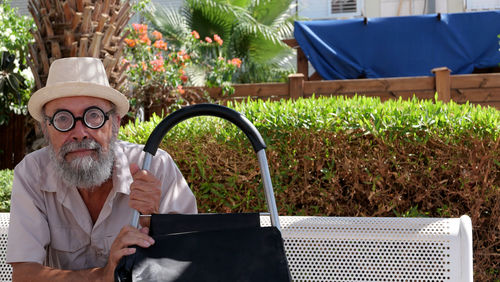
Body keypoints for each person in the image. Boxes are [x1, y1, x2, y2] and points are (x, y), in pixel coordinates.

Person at [6, 57, 197, 281]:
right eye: (63, 118)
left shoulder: (156, 167)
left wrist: (153, 222)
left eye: (94, 116)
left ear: (115, 124)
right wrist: (103, 276)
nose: (80, 132)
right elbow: (24, 275)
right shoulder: (32, 174)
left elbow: (190, 264)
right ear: (46, 130)